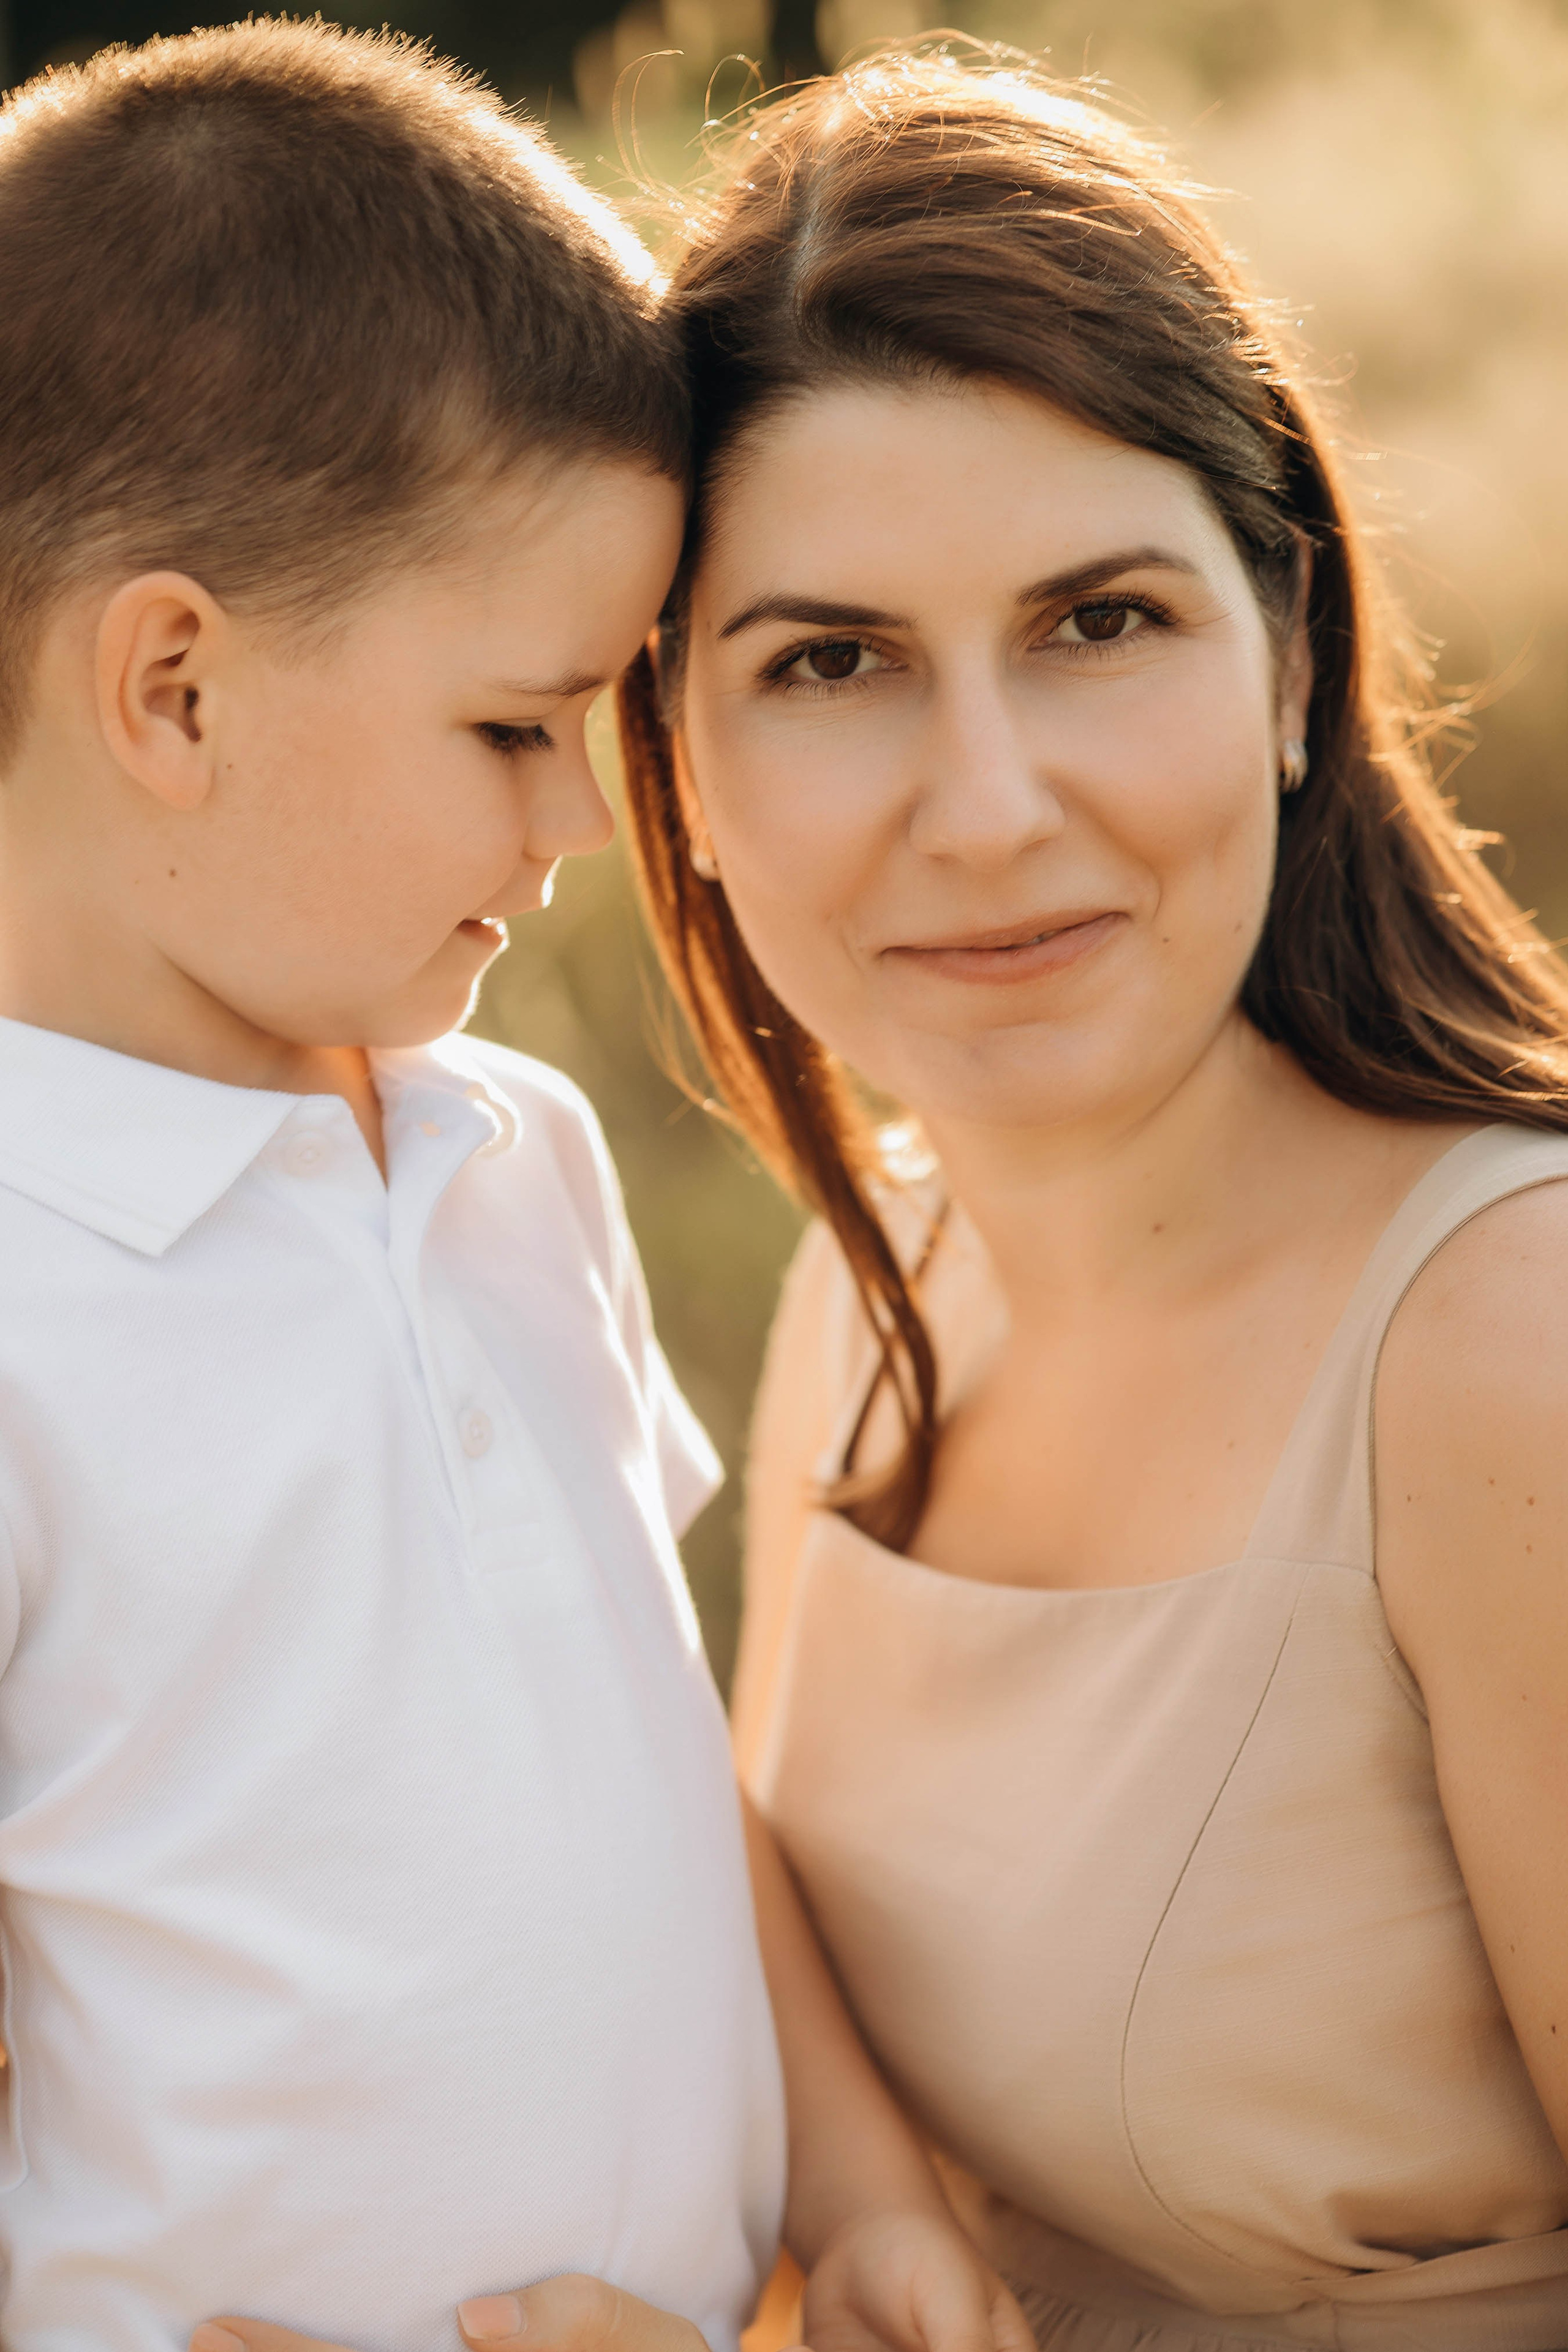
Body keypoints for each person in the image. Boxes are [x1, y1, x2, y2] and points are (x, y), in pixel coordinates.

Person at [0, 26, 1020, 2352]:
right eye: (514, 728)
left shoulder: (509, 1158)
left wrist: (857, 2193)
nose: (583, 821)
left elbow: (656, 1764)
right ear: (174, 691)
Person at [612, 50, 1568, 2352]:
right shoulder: (883, 1276)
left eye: (1099, 623)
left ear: (1295, 669)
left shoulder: (1506, 1347)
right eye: (832, 664)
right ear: (679, 766)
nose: (988, 802)